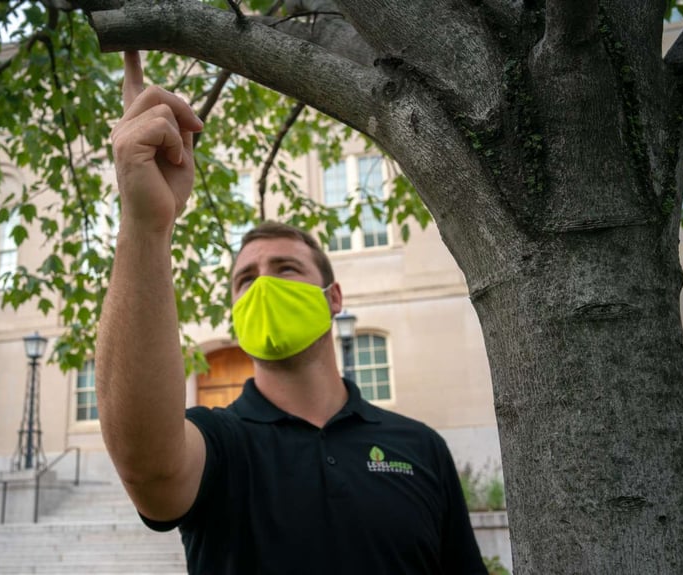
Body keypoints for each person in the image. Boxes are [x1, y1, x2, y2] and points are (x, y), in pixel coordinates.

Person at [96, 51, 488, 574]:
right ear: (235, 315)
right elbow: (149, 470)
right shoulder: (220, 445)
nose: (263, 285)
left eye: (285, 269)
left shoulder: (420, 448)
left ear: (333, 299)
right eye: (245, 279)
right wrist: (145, 223)